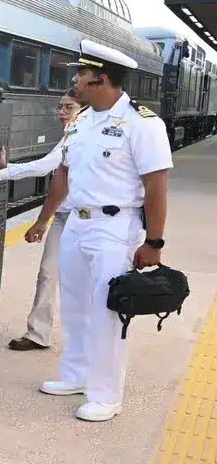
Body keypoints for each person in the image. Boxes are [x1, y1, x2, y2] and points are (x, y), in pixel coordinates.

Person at [37, 40, 172, 423]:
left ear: (102, 79)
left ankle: (106, 394)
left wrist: (154, 241)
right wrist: (47, 217)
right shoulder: (82, 121)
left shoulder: (142, 124)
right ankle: (76, 376)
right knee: (75, 304)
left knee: (107, 310)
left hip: (114, 227)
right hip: (77, 224)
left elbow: (156, 185)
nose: (75, 81)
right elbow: (64, 173)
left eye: (82, 74)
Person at [0, 92, 83, 351]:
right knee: (48, 272)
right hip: (64, 216)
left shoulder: (84, 135)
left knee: (86, 281)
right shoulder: (69, 136)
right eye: (60, 107)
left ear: (83, 110)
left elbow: (46, 167)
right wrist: (6, 169)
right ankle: (38, 333)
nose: (61, 113)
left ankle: (90, 341)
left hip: (89, 221)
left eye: (68, 107)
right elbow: (49, 165)